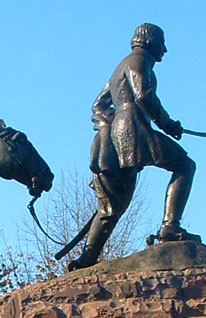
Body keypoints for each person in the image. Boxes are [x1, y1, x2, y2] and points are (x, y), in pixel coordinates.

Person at [69, 23, 197, 271]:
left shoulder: (121, 66)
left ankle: (88, 256)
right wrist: (167, 124)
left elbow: (98, 104)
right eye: (162, 43)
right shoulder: (139, 61)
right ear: (149, 42)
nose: (165, 50)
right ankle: (170, 226)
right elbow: (144, 96)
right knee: (184, 164)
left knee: (115, 202)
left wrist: (107, 129)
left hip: (121, 131)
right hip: (134, 129)